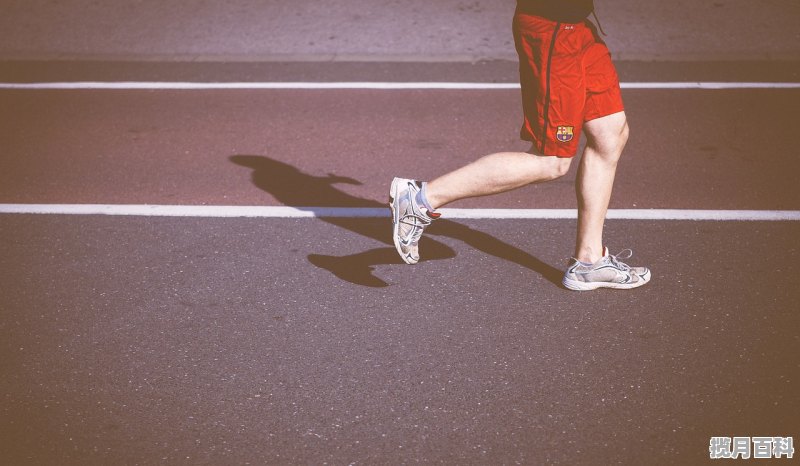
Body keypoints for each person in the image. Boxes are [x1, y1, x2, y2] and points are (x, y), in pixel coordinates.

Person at [389, 0, 651, 290]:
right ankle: (421, 199)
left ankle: (588, 262)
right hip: (553, 28)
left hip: (578, 28)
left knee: (610, 133)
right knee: (552, 160)